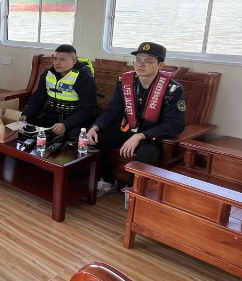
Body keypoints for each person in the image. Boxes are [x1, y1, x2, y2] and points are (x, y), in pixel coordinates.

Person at [87, 42, 186, 196]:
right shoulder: (126, 82)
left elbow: (176, 124)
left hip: (150, 135)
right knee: (93, 141)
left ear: (160, 65)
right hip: (126, 128)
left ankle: (133, 191)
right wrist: (96, 126)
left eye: (148, 61)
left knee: (147, 154)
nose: (141, 64)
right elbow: (113, 109)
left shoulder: (173, 89)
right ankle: (107, 181)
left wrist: (141, 136)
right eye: (138, 60)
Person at [19, 44, 98, 139]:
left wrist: (66, 124)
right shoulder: (48, 73)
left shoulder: (84, 76)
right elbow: (37, 98)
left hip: (73, 117)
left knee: (73, 135)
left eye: (62, 59)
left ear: (73, 61)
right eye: (55, 59)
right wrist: (26, 113)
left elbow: (87, 109)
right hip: (50, 113)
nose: (57, 63)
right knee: (26, 126)